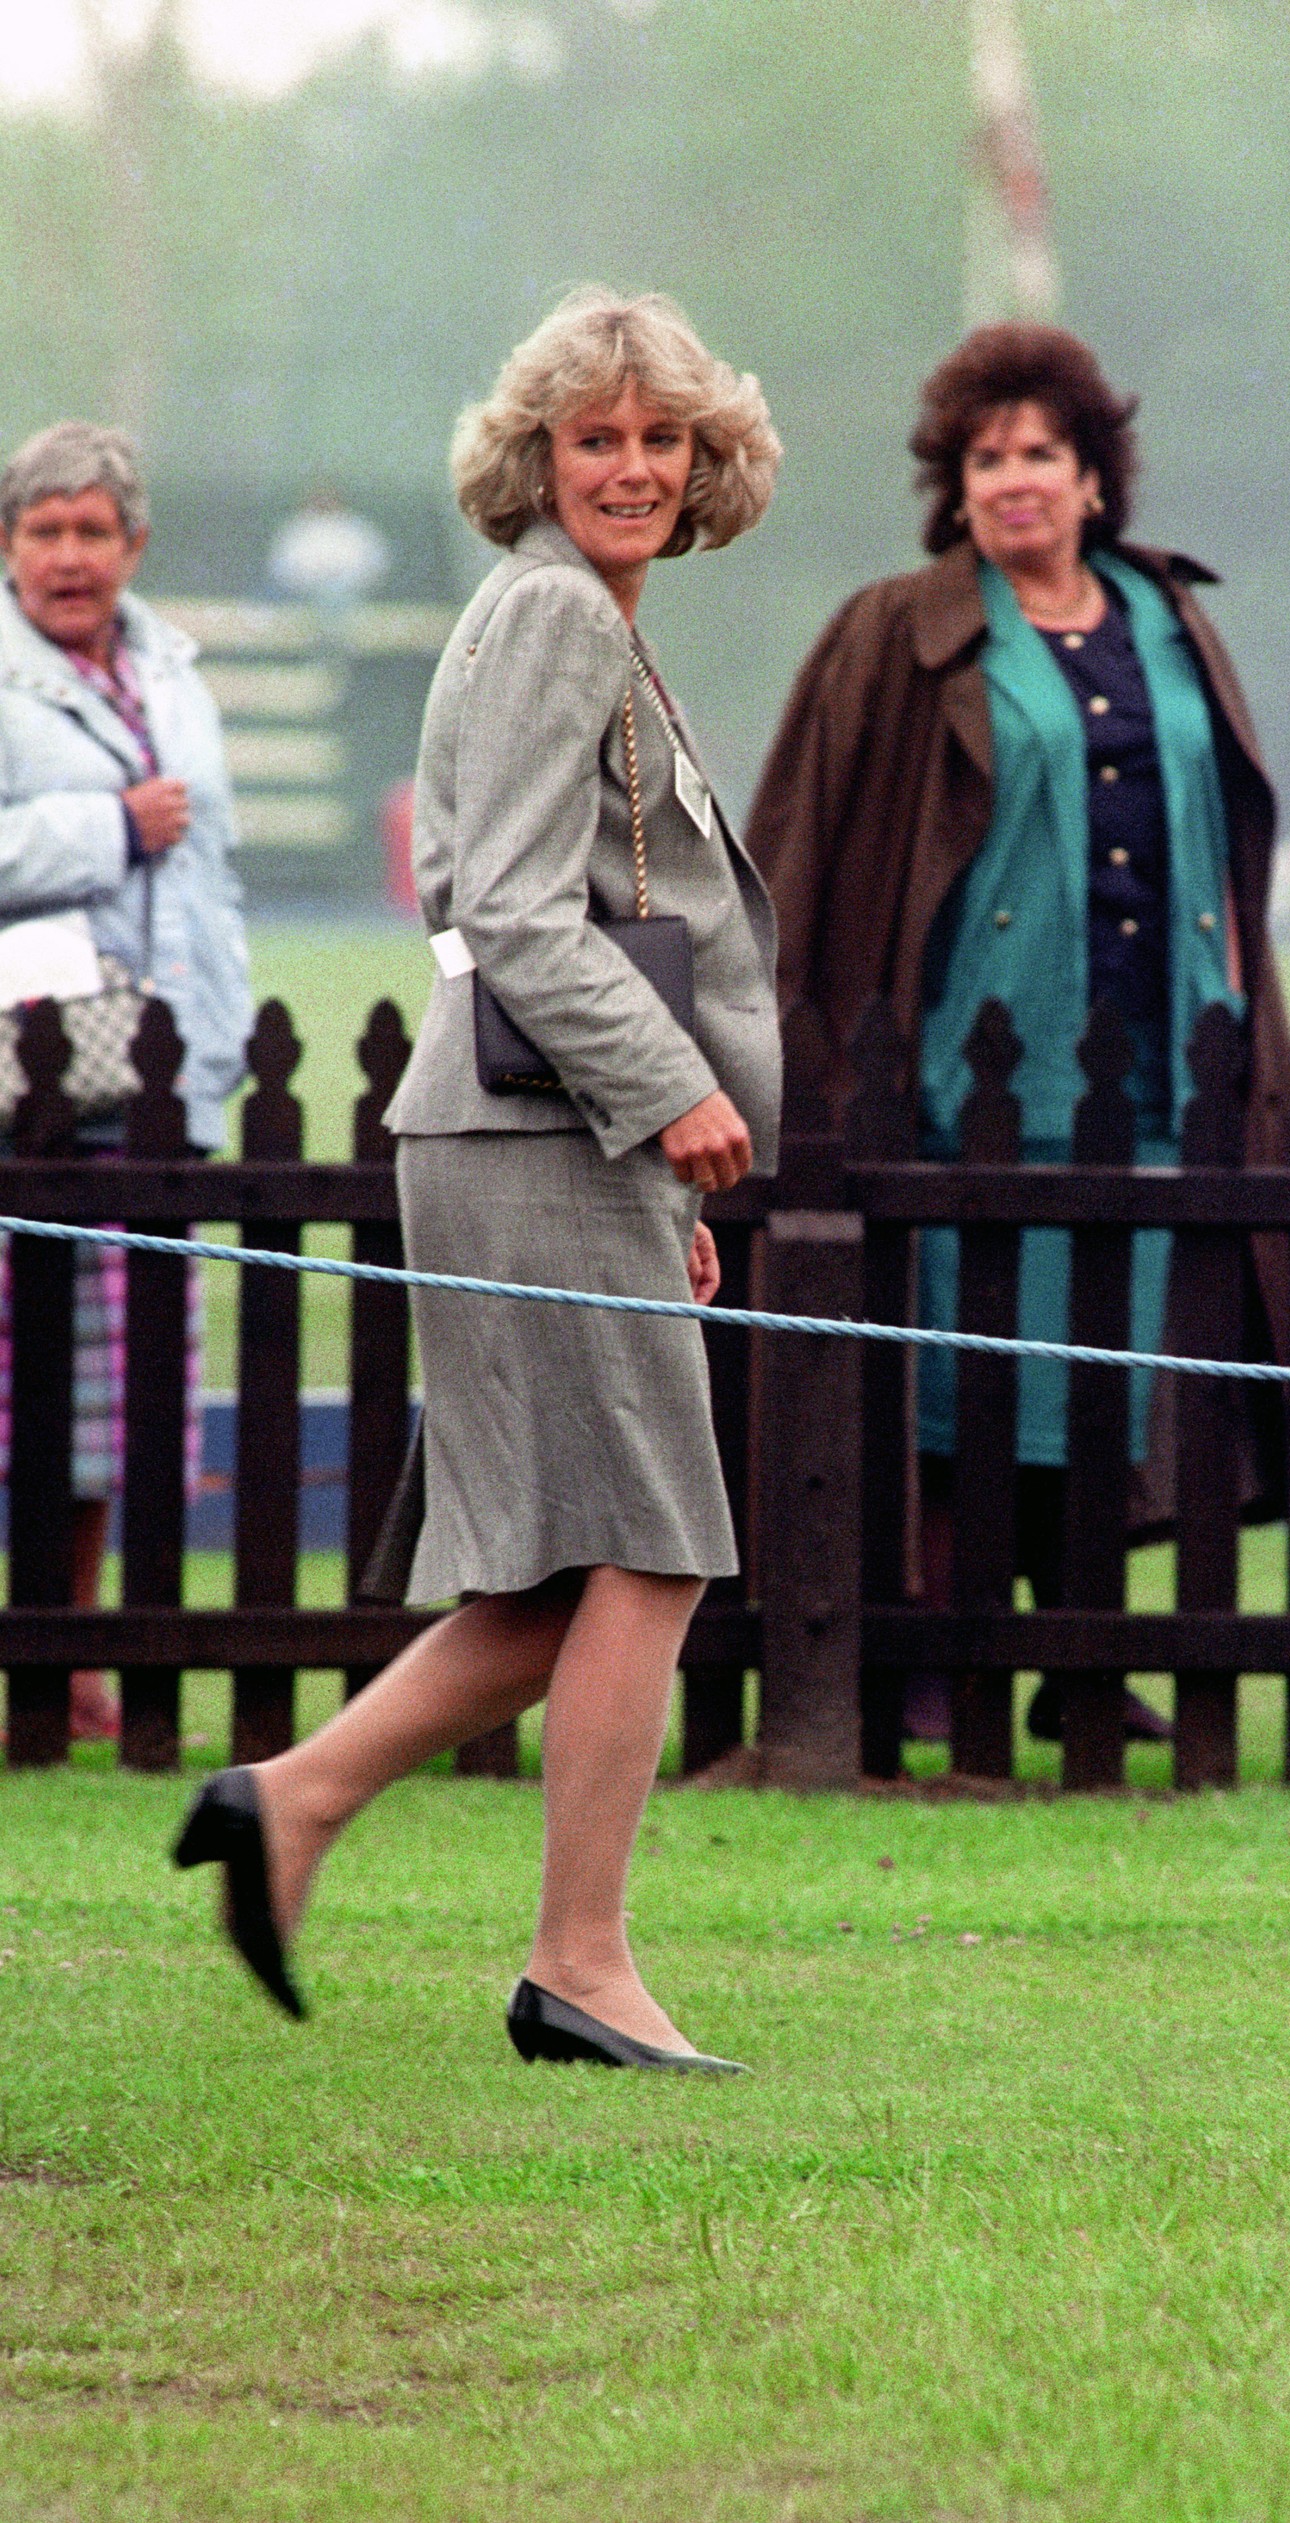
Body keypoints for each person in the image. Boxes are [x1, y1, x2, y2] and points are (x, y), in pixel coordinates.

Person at [174, 289, 783, 2070]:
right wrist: (672, 1097)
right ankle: (578, 1963)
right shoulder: (549, 618)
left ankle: (287, 1806)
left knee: (547, 1578)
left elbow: (585, 905)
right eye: (594, 439)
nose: (631, 468)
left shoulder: (585, 618)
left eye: (661, 438)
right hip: (535, 1128)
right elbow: (512, 907)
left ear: (706, 460)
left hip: (550, 1142)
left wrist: (660, 1191)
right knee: (656, 1548)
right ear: (535, 458)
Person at [745, 324, 1290, 1748]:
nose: (1015, 478)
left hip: (1163, 1066)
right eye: (987, 457)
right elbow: (800, 847)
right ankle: (924, 1657)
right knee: (947, 1372)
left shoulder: (1171, 625)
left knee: (1116, 1374)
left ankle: (1086, 1660)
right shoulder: (891, 632)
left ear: (1097, 478)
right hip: (961, 1078)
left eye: (1043, 451)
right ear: (954, 485)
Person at [0, 422, 252, 1739]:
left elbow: (210, 870)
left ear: (134, 546)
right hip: (20, 1084)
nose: (69, 556)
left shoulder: (177, 673)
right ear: (8, 547)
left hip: (153, 1077)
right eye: (43, 531)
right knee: (11, 1386)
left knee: (113, 1391)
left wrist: (223, 1033)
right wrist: (102, 829)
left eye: (92, 531)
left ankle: (83, 1658)